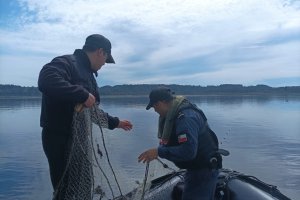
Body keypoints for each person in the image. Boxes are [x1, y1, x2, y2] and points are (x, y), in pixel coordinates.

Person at [38, 34, 133, 199]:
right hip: (59, 138)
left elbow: (92, 111)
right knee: (65, 187)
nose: (104, 63)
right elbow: (46, 80)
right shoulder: (66, 63)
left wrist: (117, 122)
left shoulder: (90, 75)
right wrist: (82, 94)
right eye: (106, 59)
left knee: (84, 183)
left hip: (80, 140)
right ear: (100, 52)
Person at [138, 87, 222, 200]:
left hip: (203, 171)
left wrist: (158, 151)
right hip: (195, 169)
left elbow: (188, 151)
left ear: (161, 102)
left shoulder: (186, 118)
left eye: (154, 106)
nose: (155, 110)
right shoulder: (175, 113)